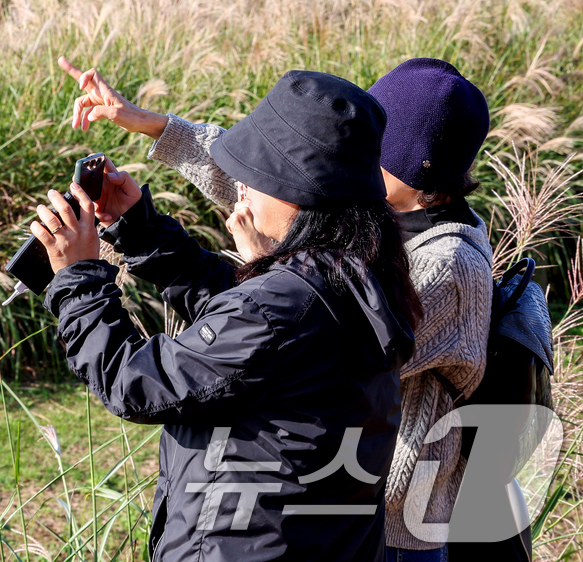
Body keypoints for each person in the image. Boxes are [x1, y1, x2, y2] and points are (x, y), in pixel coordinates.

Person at [59, 56, 495, 562]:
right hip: (320, 513)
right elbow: (266, 183)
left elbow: (285, 334)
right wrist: (142, 210)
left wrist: (81, 280)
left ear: (406, 167)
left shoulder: (447, 265)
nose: (348, 153)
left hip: (388, 524)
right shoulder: (363, 235)